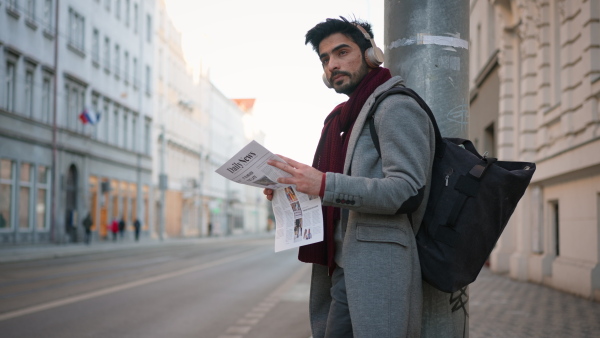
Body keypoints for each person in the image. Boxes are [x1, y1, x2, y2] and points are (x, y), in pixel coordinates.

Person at [263, 17, 435, 337]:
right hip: (340, 267)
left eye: (342, 52)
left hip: (376, 267)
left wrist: (324, 183)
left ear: (371, 54)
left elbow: (408, 189)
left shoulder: (395, 106)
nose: (332, 65)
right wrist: (295, 187)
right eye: (325, 59)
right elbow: (339, 188)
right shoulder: (343, 118)